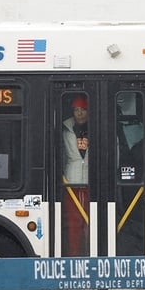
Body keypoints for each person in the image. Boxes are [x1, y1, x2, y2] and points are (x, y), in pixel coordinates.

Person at [61, 95, 89, 256]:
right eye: (76, 110)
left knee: (90, 223)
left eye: (83, 110)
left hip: (91, 182)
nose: (79, 113)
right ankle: (74, 255)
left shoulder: (97, 126)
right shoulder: (66, 130)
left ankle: (89, 252)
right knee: (73, 224)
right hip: (71, 183)